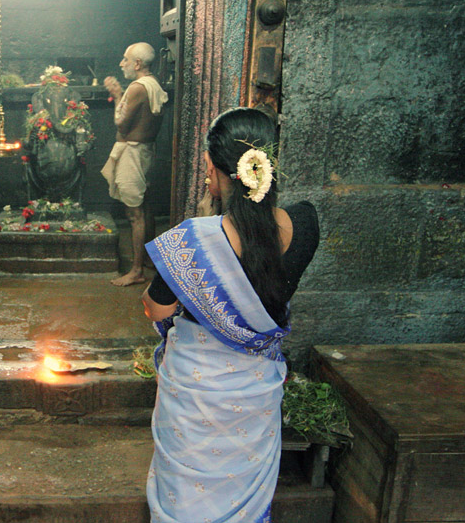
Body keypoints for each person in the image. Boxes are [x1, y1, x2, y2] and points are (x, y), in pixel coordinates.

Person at [141, 107, 319, 523]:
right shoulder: (307, 224)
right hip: (256, 394)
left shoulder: (192, 240)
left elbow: (157, 307)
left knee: (185, 500)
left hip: (196, 394)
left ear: (214, 169)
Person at [102, 42, 168, 286]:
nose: (122, 64)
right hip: (146, 151)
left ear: (138, 64)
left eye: (126, 59)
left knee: (134, 213)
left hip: (133, 153)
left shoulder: (137, 88)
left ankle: (137, 270)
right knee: (145, 205)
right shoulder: (153, 84)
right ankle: (148, 260)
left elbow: (121, 123)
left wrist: (119, 95)